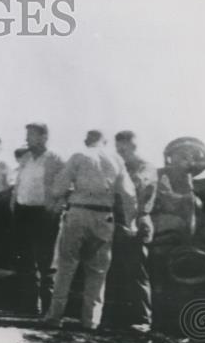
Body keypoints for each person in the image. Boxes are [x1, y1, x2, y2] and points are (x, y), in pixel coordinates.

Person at [43, 130, 137, 331]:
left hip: (78, 213)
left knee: (66, 266)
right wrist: (131, 222)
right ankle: (90, 320)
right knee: (97, 271)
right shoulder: (116, 159)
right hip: (104, 216)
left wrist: (63, 194)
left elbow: (58, 188)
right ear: (105, 142)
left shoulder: (79, 155)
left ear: (87, 140)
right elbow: (129, 194)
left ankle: (55, 316)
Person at [103, 130, 157, 330]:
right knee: (112, 271)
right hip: (116, 222)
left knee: (136, 273)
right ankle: (112, 318)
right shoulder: (118, 166)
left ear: (134, 146)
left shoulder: (146, 168)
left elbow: (138, 189)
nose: (121, 152)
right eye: (118, 149)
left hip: (137, 222)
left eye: (124, 148)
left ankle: (143, 320)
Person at [13, 123, 64, 314]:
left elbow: (66, 187)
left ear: (44, 137)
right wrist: (14, 204)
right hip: (23, 212)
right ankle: (29, 305)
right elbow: (19, 183)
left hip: (44, 214)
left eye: (31, 135)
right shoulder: (26, 158)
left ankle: (48, 307)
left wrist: (55, 209)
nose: (26, 139)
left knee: (46, 260)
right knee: (25, 260)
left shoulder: (56, 159)